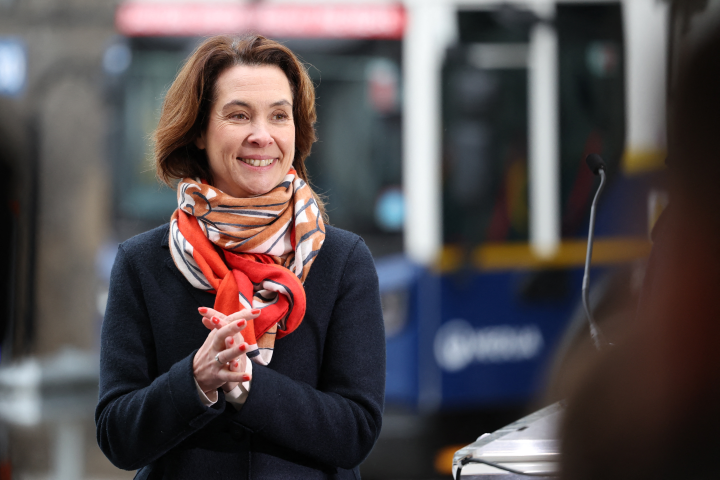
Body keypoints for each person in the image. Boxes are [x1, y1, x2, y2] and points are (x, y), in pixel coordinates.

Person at [95, 35, 386, 480]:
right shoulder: (141, 263)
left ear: (297, 132)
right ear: (197, 130)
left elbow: (356, 431)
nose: (261, 135)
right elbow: (117, 436)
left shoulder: (341, 260)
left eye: (279, 116)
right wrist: (193, 379)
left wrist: (248, 384)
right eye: (238, 115)